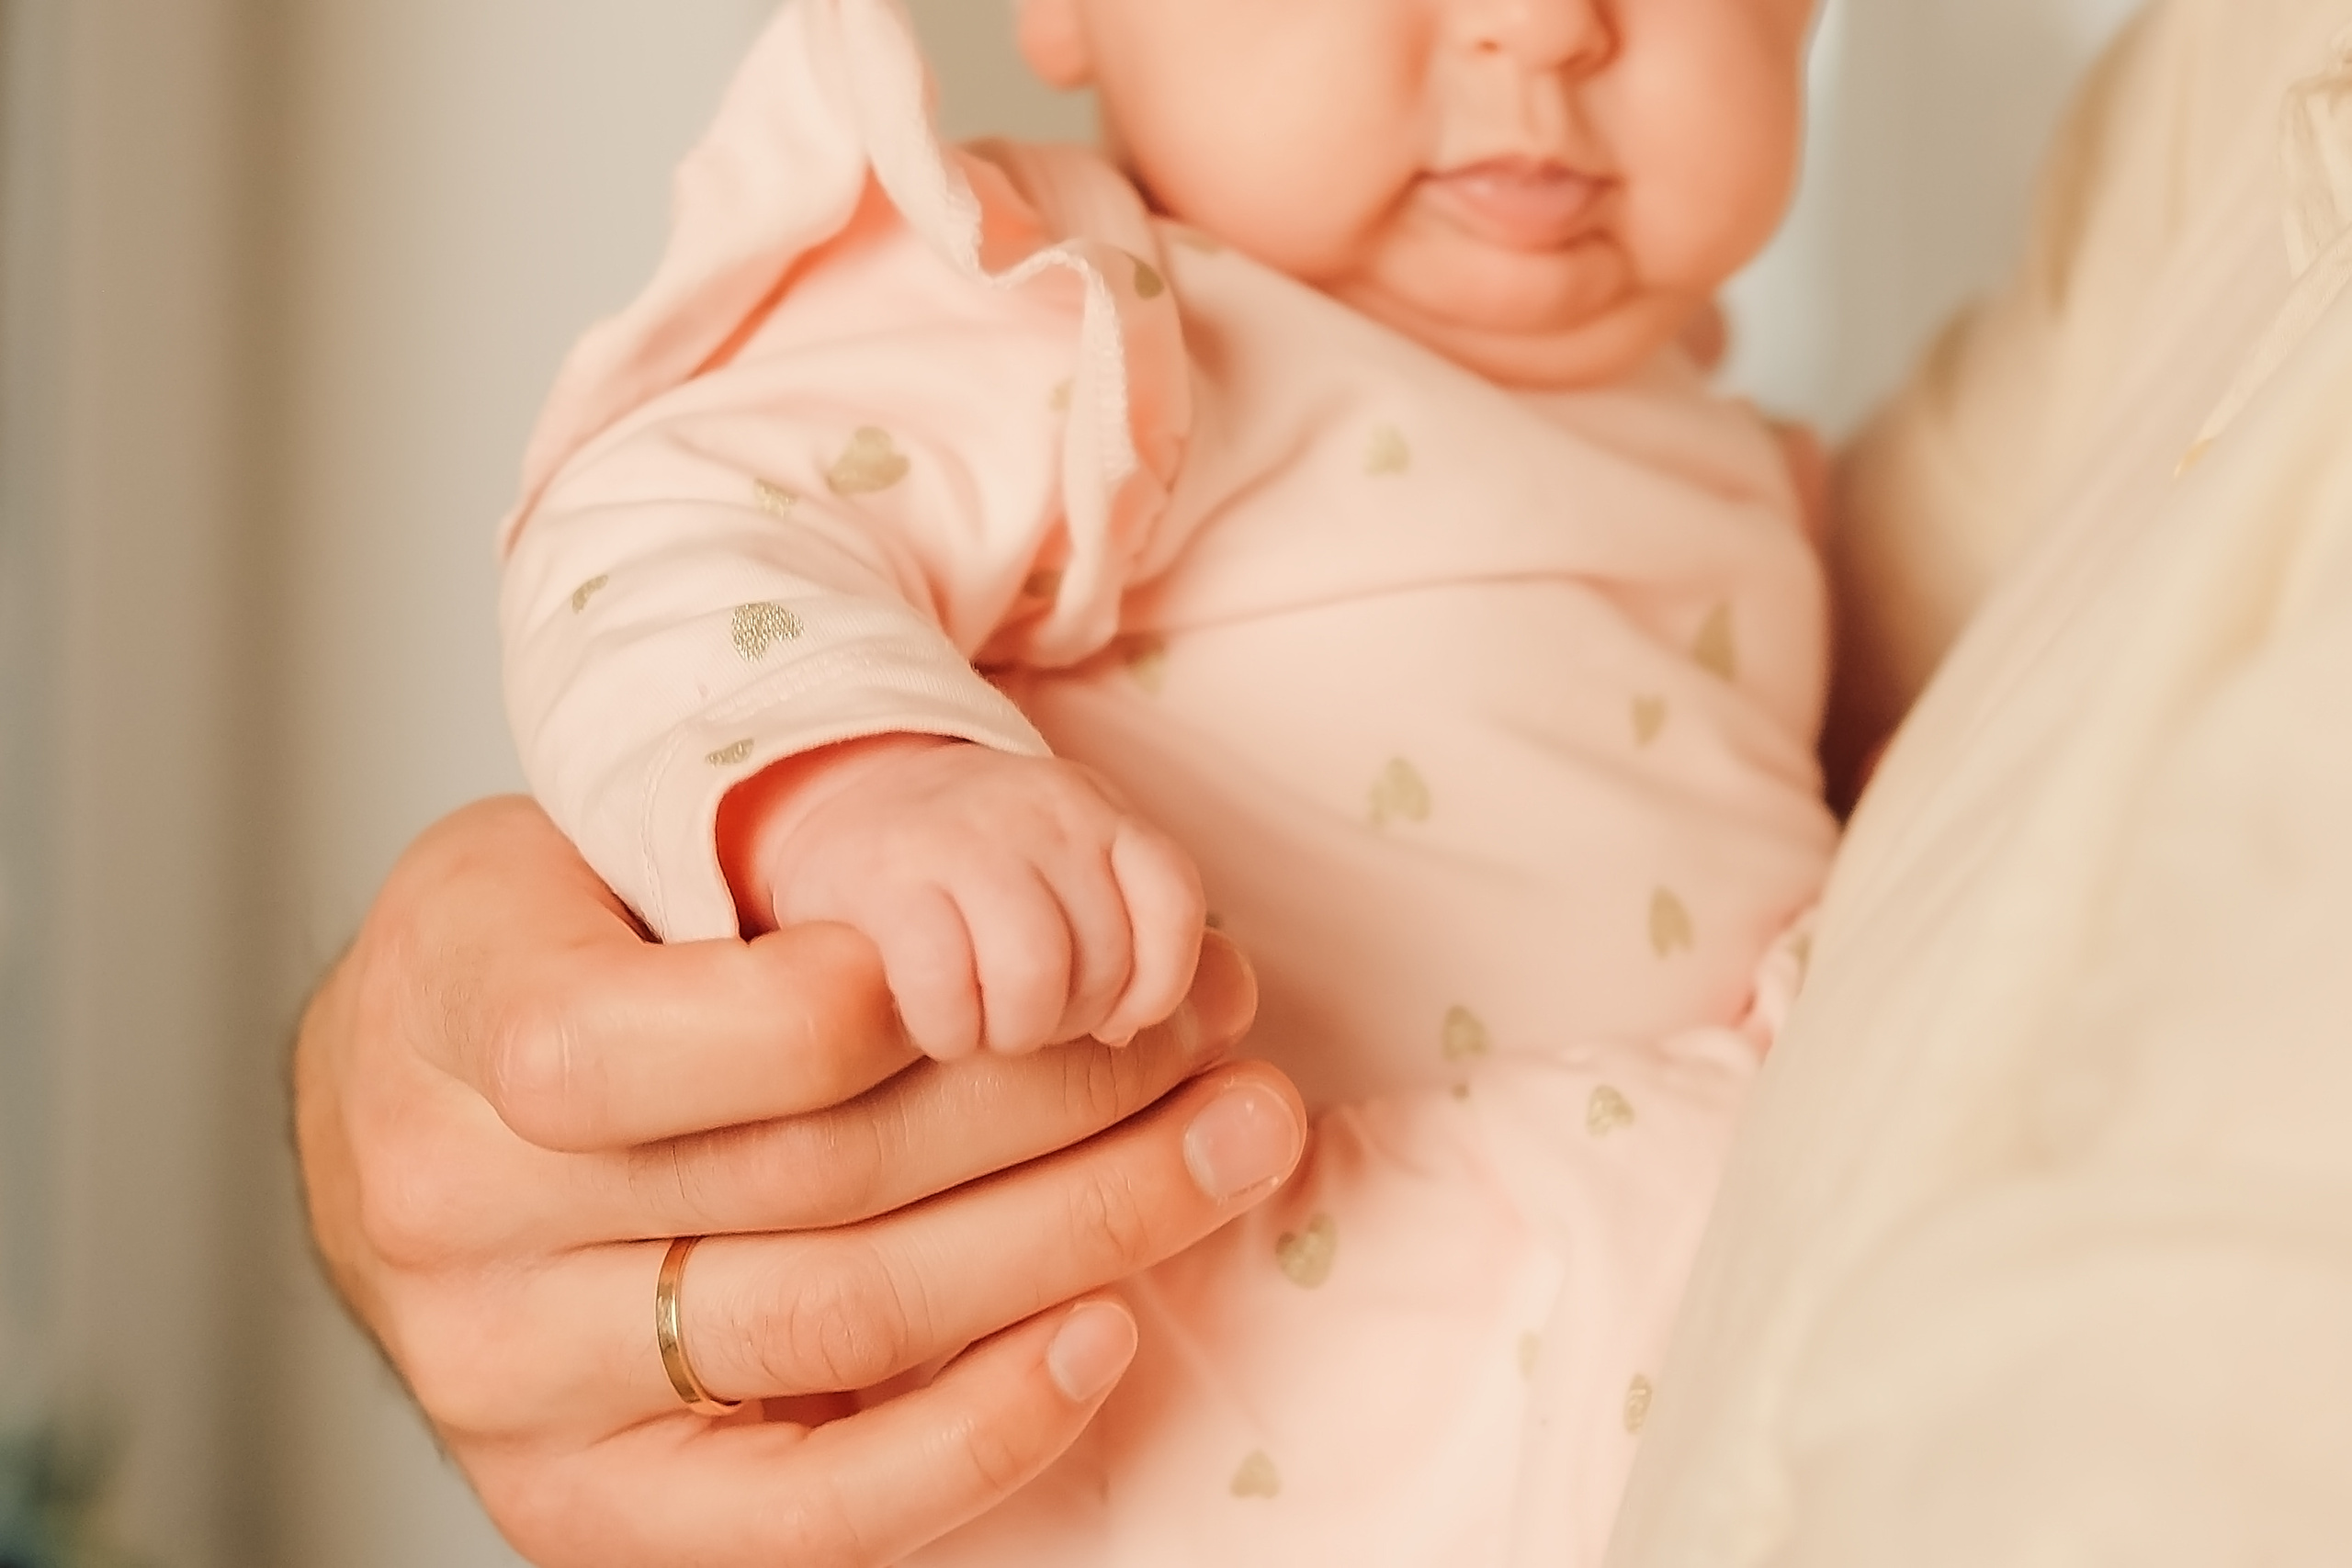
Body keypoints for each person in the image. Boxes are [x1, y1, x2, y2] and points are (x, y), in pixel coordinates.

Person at [497, 0, 1826, 1561]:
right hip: (1229, 1425)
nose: (1539, 31)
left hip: (1668, 1387)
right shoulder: (1089, 321)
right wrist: (862, 785)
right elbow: (671, 513)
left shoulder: (1741, 457)